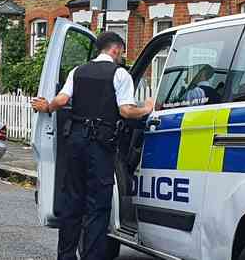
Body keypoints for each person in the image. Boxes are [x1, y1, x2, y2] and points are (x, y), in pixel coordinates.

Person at [31, 32, 154, 260]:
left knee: (72, 202)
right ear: (115, 49)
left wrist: (46, 107)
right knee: (98, 206)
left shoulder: (77, 71)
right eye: (121, 52)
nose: (121, 57)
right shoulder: (120, 74)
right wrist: (147, 108)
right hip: (100, 145)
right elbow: (126, 111)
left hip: (75, 142)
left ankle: (66, 256)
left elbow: (62, 100)